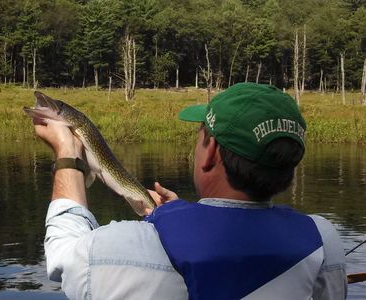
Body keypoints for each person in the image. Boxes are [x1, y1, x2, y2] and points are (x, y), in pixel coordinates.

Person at [32, 83, 347, 300]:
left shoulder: (123, 246)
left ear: (209, 153)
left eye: (200, 136)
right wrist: (178, 213)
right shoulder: (323, 240)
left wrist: (67, 156)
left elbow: (62, 257)